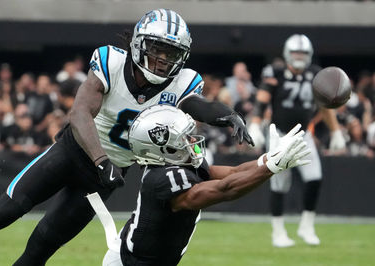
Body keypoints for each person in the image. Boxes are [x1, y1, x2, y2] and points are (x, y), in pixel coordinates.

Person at [0, 9, 254, 265]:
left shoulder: (182, 83)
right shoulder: (112, 62)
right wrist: (100, 160)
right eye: (157, 49)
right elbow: (80, 113)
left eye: (171, 53)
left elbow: (198, 105)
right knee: (3, 212)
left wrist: (228, 115)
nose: (162, 59)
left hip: (106, 176)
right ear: (138, 44)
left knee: (42, 246)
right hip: (71, 155)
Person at [98, 104, 310, 266]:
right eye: (184, 137)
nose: (191, 140)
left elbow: (234, 173)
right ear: (163, 148)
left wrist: (268, 158)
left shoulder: (182, 163)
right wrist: (271, 167)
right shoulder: (161, 179)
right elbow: (224, 189)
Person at [247, 34, 346, 247]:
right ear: (287, 54)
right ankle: (278, 231)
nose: (299, 57)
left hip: (304, 134)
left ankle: (307, 225)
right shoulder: (275, 72)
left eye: (303, 53)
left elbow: (324, 107)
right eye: (296, 53)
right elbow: (261, 102)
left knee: (315, 178)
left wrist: (336, 131)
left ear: (309, 55)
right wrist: (254, 124)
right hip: (279, 134)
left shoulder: (315, 75)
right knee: (280, 184)